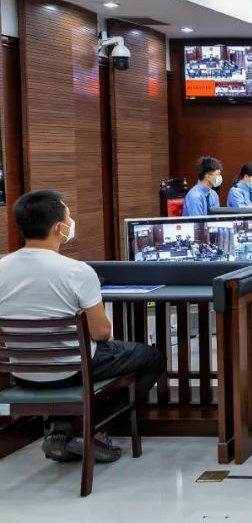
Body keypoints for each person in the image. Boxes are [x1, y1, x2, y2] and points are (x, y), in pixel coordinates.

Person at [0, 190, 166, 464]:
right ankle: (93, 430)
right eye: (69, 218)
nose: (71, 223)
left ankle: (61, 430)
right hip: (75, 371)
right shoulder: (77, 271)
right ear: (58, 228)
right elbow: (101, 333)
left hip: (23, 374)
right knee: (152, 358)